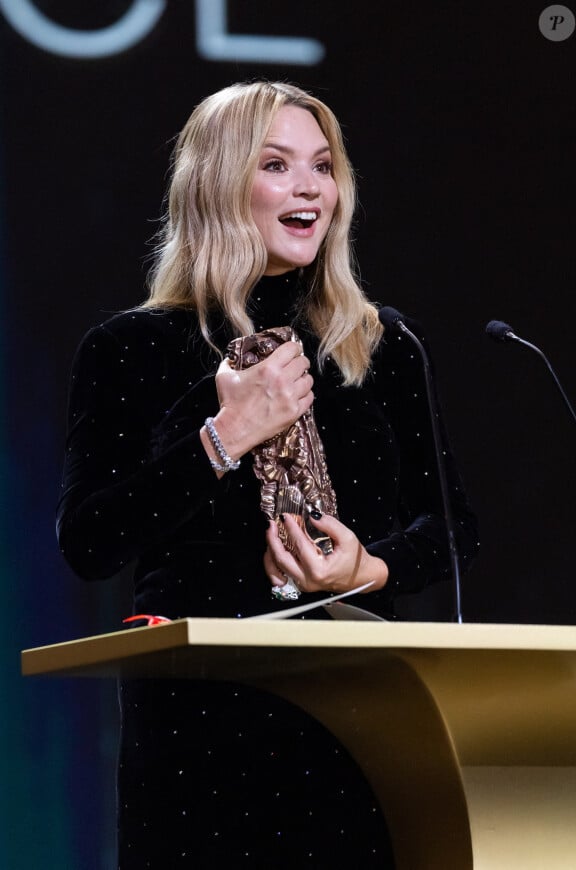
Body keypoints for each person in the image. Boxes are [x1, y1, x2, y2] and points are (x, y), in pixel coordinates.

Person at [57, 80, 478, 868]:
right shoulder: (131, 348)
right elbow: (90, 541)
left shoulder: (384, 347)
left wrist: (368, 566)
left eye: (323, 166)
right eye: (277, 165)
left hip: (359, 714)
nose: (310, 187)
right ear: (219, 181)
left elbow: (452, 531)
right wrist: (225, 437)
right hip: (200, 723)